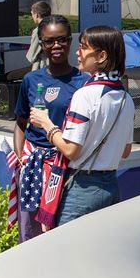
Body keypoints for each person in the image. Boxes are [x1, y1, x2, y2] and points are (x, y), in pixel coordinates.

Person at [29, 26, 134, 226]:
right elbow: (126, 150)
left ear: (101, 55)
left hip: (82, 189)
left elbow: (71, 150)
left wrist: (46, 124)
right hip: (111, 186)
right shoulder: (125, 98)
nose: (77, 52)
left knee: (68, 253)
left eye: (84, 48)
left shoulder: (85, 95)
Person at [10, 14, 84, 241]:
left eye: (62, 39)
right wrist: (21, 157)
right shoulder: (31, 80)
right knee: (31, 236)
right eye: (49, 41)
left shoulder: (84, 82)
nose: (56, 46)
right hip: (33, 169)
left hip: (65, 168)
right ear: (41, 45)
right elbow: (21, 123)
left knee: (60, 234)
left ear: (70, 41)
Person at [23, 0, 54, 71]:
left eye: (32, 14)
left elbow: (31, 56)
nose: (32, 17)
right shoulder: (54, 27)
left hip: (43, 67)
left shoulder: (39, 30)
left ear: (37, 15)